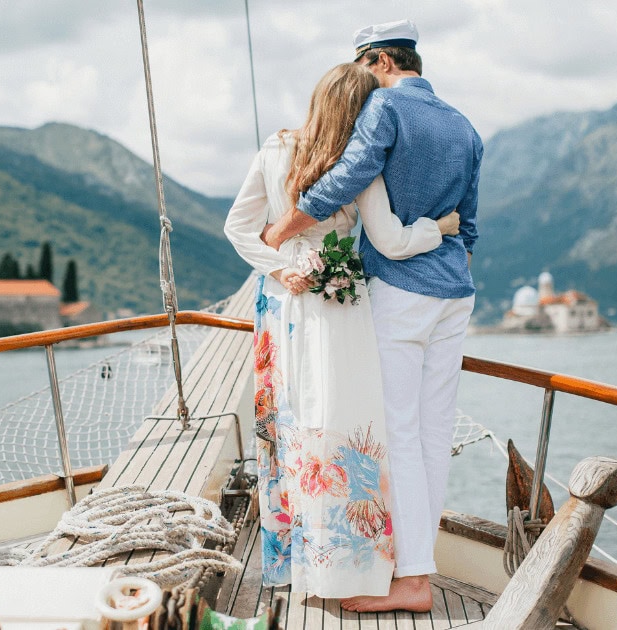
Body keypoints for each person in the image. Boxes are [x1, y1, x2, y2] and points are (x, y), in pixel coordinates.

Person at [262, 19, 483, 613]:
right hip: (455, 293)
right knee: (434, 435)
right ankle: (417, 569)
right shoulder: (464, 125)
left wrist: (284, 226)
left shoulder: (385, 109)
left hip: (402, 293)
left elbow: (352, 174)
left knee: (398, 436)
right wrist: (446, 250)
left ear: (382, 60)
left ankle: (410, 579)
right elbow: (471, 223)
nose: (361, 77)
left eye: (363, 64)